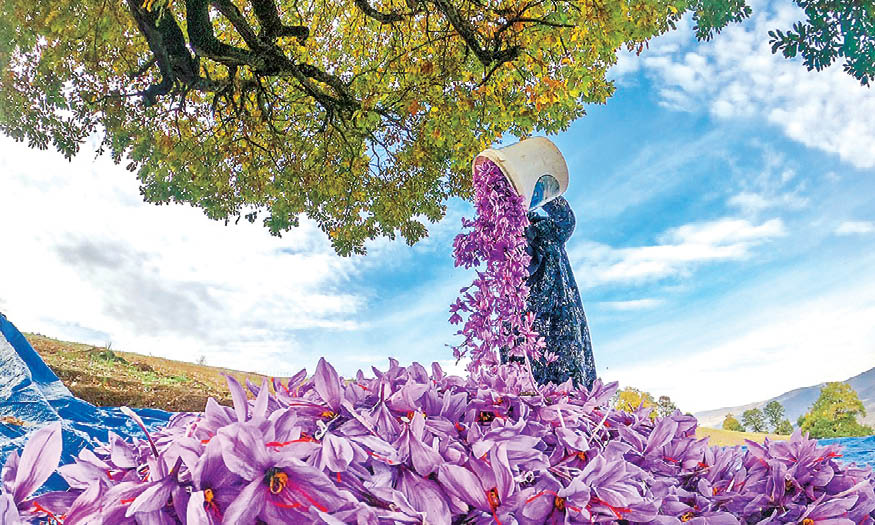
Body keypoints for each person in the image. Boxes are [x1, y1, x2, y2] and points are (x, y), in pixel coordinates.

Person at [521, 195, 596, 389]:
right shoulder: (502, 235)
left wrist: (540, 191)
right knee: (523, 380)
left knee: (566, 373)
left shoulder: (548, 228)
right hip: (522, 316)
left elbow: (566, 219)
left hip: (559, 309)